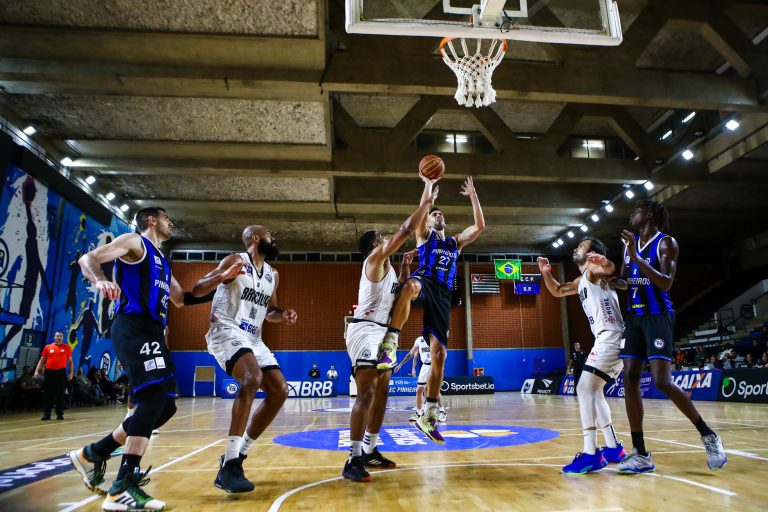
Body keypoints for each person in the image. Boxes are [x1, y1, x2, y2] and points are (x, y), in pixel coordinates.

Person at [68, 206, 207, 510]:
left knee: (166, 405)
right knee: (154, 397)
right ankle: (123, 486)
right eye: (167, 218)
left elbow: (181, 299)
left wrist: (220, 284)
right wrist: (100, 280)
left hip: (152, 332)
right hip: (133, 325)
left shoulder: (163, 262)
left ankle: (93, 454)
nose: (172, 223)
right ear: (152, 220)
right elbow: (87, 259)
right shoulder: (134, 242)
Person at [616, 200, 726, 474]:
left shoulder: (666, 243)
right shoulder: (628, 245)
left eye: (637, 210)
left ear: (650, 214)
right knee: (629, 377)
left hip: (658, 317)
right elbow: (624, 280)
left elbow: (665, 283)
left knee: (662, 381)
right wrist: (608, 279)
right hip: (635, 317)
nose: (632, 214)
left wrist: (636, 257)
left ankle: (708, 435)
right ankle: (641, 453)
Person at [343, 174, 439, 482]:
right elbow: (406, 229)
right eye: (381, 237)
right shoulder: (373, 259)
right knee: (367, 390)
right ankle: (352, 458)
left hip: (385, 332)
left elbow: (399, 296)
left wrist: (406, 268)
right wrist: (426, 199)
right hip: (365, 330)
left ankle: (370, 449)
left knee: (383, 391)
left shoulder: (389, 270)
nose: (386, 239)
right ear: (375, 244)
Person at [377, 176, 484, 444]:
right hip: (425, 280)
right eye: (434, 214)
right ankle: (390, 342)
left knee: (440, 354)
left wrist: (473, 196)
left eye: (440, 214)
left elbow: (480, 227)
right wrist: (428, 191)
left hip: (443, 295)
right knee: (410, 286)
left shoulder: (455, 243)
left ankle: (430, 413)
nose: (438, 216)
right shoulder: (425, 237)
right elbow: (419, 219)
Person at [193, 225, 297, 493]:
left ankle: (238, 456)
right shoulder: (235, 261)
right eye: (270, 235)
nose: (274, 238)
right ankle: (229, 465)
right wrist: (223, 276)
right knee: (252, 378)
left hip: (253, 338)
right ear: (255, 238)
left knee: (280, 390)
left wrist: (283, 314)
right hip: (226, 329)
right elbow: (198, 289)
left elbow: (271, 312)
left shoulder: (273, 274)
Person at [539, 237, 627, 474]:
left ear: (592, 254)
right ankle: (613, 448)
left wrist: (604, 261)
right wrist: (546, 273)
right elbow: (558, 290)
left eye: (582, 245)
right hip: (611, 338)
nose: (576, 247)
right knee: (594, 391)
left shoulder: (594, 271)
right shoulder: (582, 279)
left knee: (583, 388)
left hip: (610, 336)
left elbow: (609, 268)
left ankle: (591, 453)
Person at [394, 336, 446, 423]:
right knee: (419, 390)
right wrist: (400, 365)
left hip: (435, 365)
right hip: (425, 366)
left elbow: (444, 354)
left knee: (435, 391)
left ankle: (442, 412)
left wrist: (440, 366)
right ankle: (419, 413)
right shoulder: (419, 340)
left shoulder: (437, 338)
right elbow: (411, 354)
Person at [34, 331, 74, 420]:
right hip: (49, 373)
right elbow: (41, 360)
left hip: (61, 373)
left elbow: (70, 362)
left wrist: (71, 373)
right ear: (54, 337)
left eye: (61, 336)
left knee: (60, 394)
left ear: (62, 338)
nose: (59, 337)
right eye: (57, 336)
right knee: (48, 393)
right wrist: (36, 371)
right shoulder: (48, 347)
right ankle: (46, 414)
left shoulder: (66, 347)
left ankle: (60, 414)